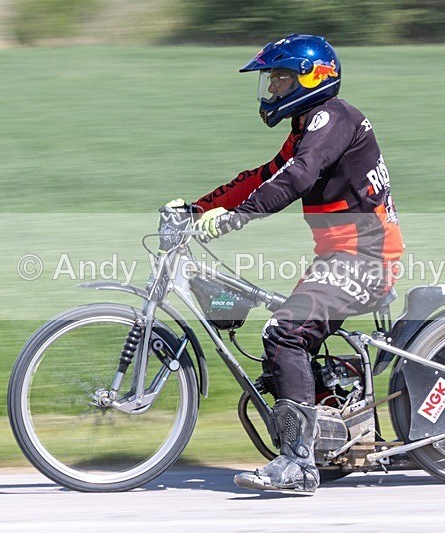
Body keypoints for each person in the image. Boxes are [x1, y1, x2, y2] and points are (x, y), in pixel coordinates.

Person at [167, 34, 404, 493]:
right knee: (282, 347)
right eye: (271, 81)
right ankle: (328, 429)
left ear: (311, 78)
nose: (272, 89)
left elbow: (297, 176)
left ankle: (298, 466)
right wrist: (197, 209)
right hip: (340, 256)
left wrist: (237, 217)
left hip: (366, 259)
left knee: (284, 333)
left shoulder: (333, 118)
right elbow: (263, 176)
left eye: (279, 79)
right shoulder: (309, 125)